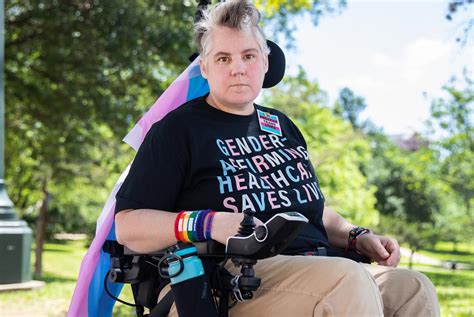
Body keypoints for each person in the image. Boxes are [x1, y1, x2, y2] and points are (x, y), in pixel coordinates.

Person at [114, 1, 439, 316]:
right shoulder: (177, 130)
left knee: (412, 286)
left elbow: (307, 208)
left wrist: (358, 236)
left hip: (313, 265)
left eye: (248, 55)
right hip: (221, 277)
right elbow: (128, 226)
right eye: (223, 58)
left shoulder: (282, 126)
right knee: (346, 280)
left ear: (266, 62)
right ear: (205, 67)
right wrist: (208, 223)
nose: (238, 67)